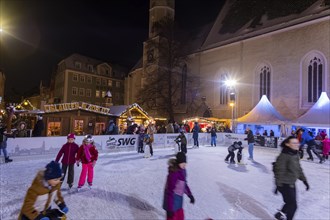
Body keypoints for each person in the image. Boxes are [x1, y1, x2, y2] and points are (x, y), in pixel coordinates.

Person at [273, 136, 309, 220]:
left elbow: (298, 169)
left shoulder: (295, 154)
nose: (297, 144)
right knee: (293, 205)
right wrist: (278, 185)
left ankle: (279, 214)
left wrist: (304, 180)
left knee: (290, 202)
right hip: (284, 184)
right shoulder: (284, 156)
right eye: (294, 143)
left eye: (297, 143)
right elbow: (278, 171)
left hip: (291, 183)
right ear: (287, 144)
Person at [163, 152, 195, 220]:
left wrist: (190, 195)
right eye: (182, 163)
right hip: (171, 203)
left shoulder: (182, 171)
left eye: (185, 162)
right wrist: (169, 209)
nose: (184, 165)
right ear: (178, 163)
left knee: (180, 217)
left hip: (178, 202)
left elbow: (184, 185)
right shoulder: (174, 174)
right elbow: (170, 192)